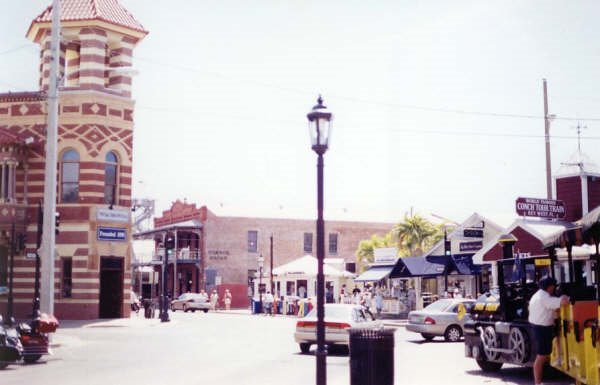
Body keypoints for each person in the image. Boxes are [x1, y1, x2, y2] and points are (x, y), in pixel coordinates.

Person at [528, 276, 569, 385]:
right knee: (541, 356)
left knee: (544, 354)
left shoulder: (538, 295)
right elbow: (564, 302)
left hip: (540, 327)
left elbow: (552, 309)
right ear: (549, 287)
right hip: (542, 328)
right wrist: (565, 296)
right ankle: (537, 383)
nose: (554, 288)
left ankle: (538, 382)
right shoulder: (544, 297)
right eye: (553, 286)